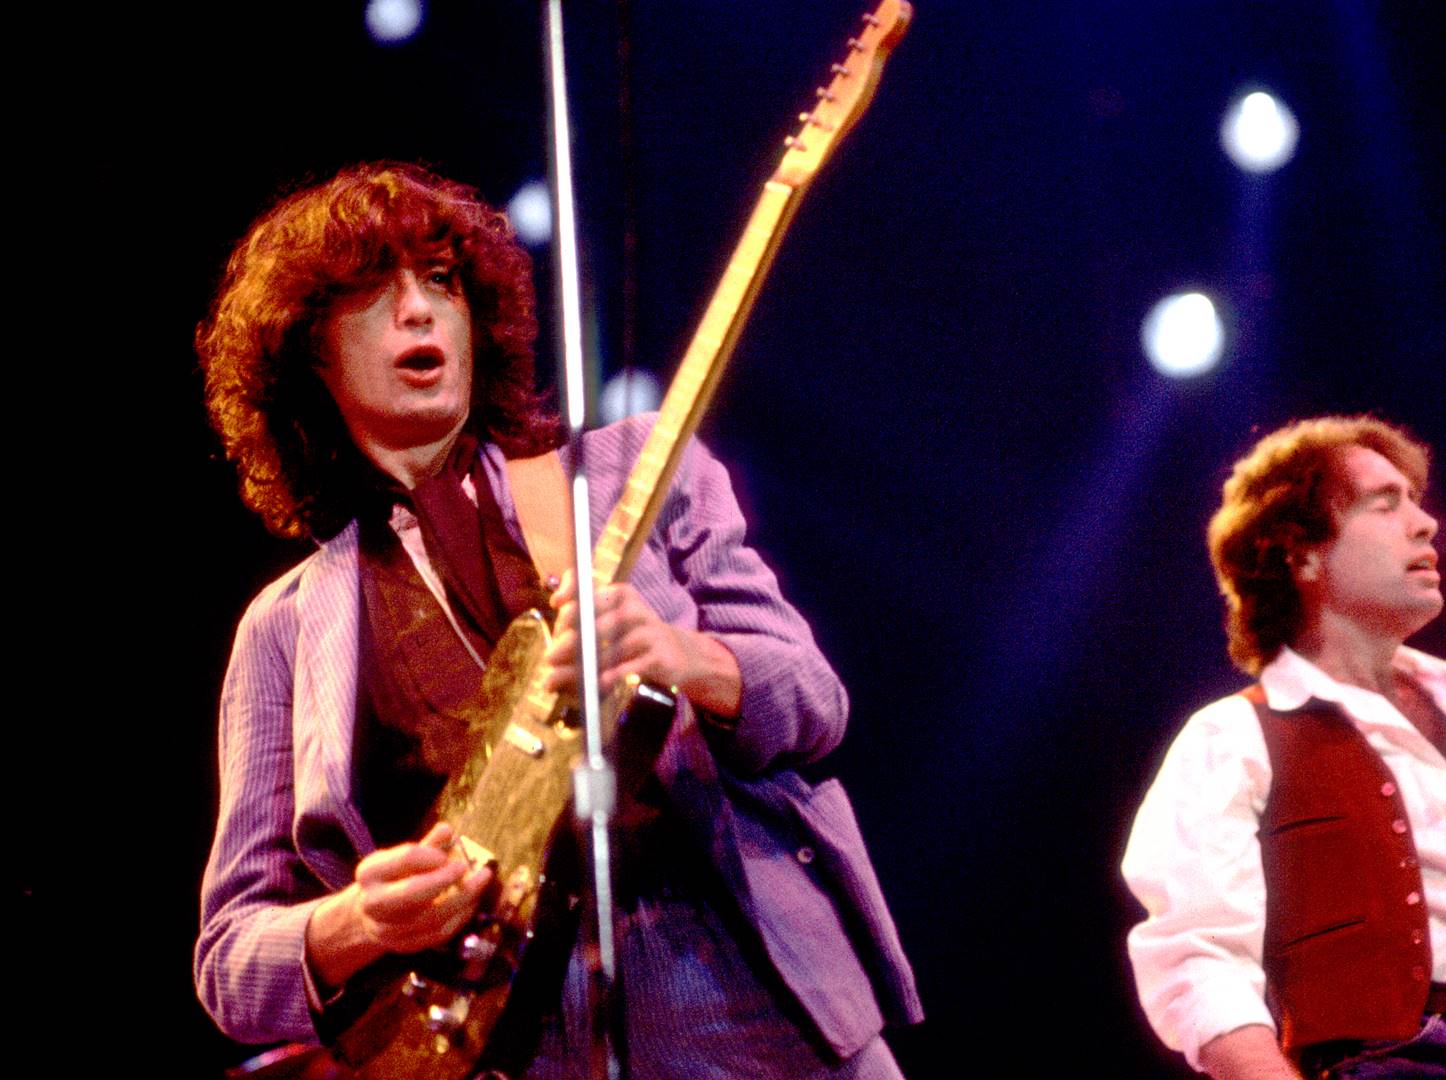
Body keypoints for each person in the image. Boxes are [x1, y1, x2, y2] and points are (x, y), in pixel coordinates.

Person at [193, 163, 920, 1078]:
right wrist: (357, 922)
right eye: (373, 292)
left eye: (441, 283)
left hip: (761, 1011)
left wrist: (686, 657)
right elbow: (229, 958)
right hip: (518, 1050)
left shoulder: (632, 473)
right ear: (309, 351)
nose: (418, 311)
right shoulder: (286, 626)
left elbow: (815, 700)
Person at [1122, 416, 1446, 1079]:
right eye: (1385, 504)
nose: (1425, 522)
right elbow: (1197, 963)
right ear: (1302, 554)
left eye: (1418, 499)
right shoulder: (1233, 738)